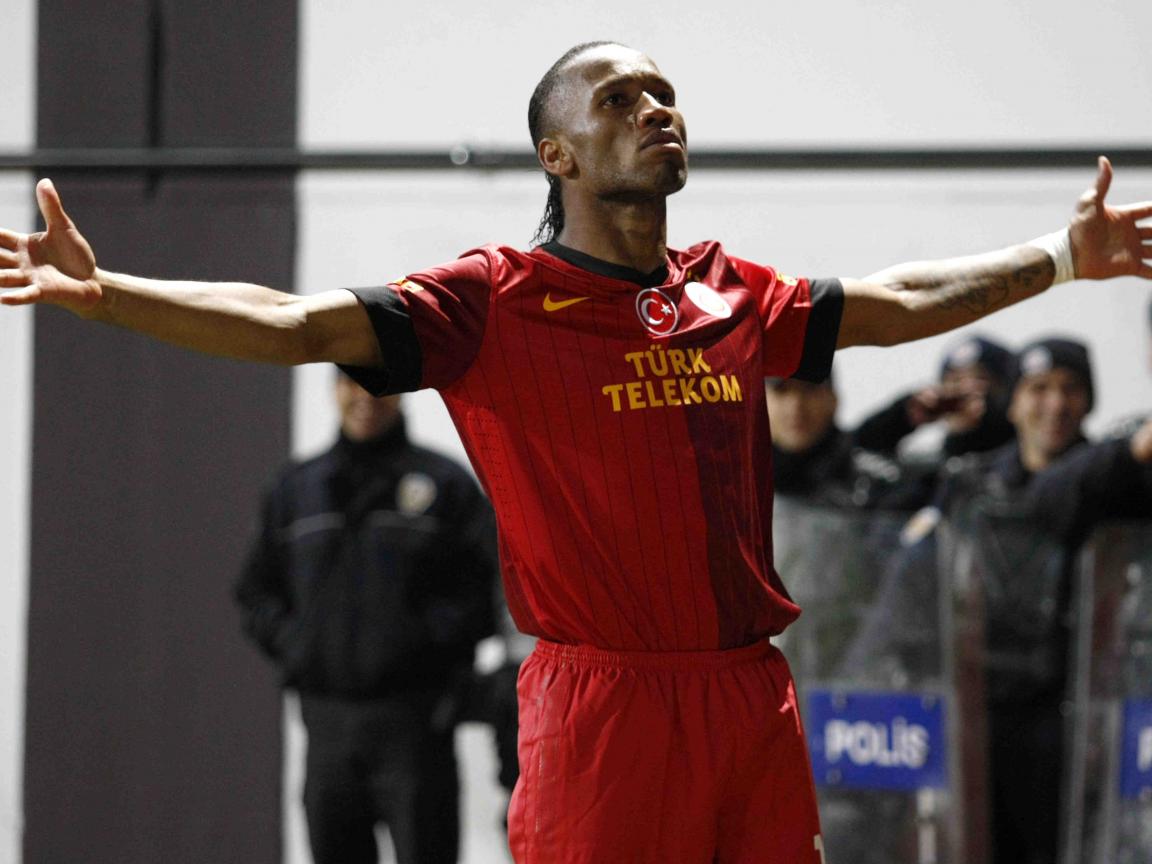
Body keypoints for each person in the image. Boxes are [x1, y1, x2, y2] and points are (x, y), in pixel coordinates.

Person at [2, 40, 1150, 864]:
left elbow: (897, 301)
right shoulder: (489, 303)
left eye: (665, 95)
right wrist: (108, 293)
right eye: (620, 99)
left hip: (750, 693)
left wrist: (1061, 256)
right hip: (603, 709)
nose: (657, 110)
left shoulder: (730, 290)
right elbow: (294, 323)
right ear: (556, 152)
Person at [234, 372, 497, 864]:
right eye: (351, 383)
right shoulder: (296, 489)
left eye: (379, 384)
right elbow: (254, 593)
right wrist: (301, 646)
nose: (365, 397)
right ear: (335, 389)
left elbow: (489, 591)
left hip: (417, 728)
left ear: (401, 392)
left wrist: (424, 645)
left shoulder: (445, 485)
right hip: (327, 728)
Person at [914, 336, 1152, 863]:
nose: (1056, 404)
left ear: (1089, 400)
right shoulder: (972, 484)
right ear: (1013, 401)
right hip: (982, 720)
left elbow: (1064, 492)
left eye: (1071, 388)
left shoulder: (1120, 477)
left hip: (1085, 722)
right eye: (1039, 388)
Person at [765, 372, 910, 510]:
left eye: (810, 389)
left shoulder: (872, 484)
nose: (796, 405)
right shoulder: (752, 482)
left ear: (833, 400)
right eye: (781, 391)